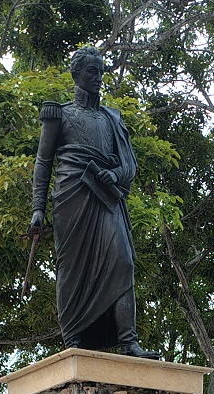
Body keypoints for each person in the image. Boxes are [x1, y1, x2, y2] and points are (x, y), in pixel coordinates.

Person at [29, 45, 159, 358]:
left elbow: (128, 163)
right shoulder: (59, 113)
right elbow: (43, 162)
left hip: (106, 198)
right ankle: (73, 339)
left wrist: (114, 175)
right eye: (92, 71)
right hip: (72, 198)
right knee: (71, 269)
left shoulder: (112, 118)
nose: (98, 77)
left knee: (123, 261)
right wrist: (37, 209)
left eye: (101, 71)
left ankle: (128, 341)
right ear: (77, 74)